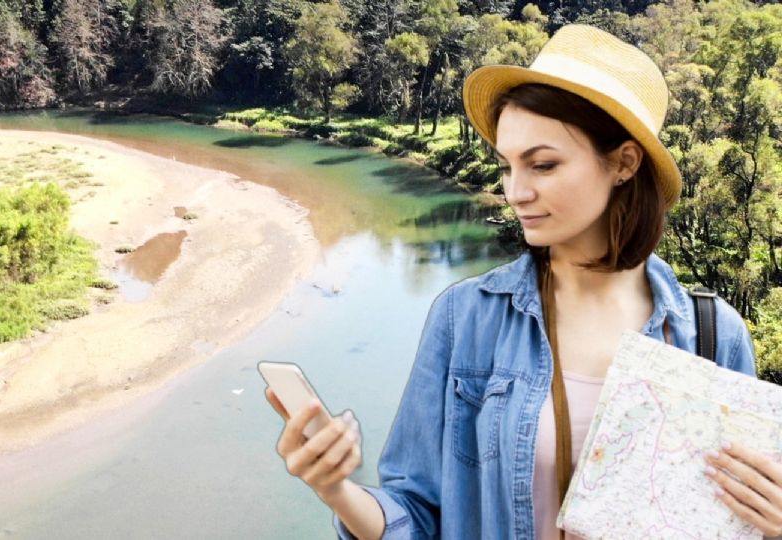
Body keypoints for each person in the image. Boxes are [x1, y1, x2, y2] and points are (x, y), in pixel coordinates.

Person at [264, 24, 782, 539]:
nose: (516, 191)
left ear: (623, 162)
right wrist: (335, 489)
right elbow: (415, 513)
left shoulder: (714, 335)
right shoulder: (466, 316)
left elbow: (729, 522)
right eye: (507, 166)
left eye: (542, 165)